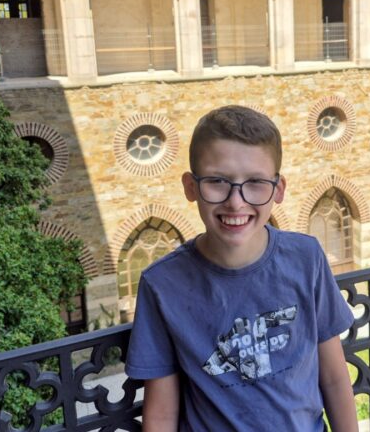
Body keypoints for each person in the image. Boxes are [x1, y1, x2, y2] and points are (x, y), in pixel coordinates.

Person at [125, 105, 358, 431]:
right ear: (191, 187)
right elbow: (162, 414)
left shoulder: (306, 258)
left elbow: (333, 377)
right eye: (217, 181)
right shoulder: (162, 285)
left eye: (256, 182)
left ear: (278, 190)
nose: (236, 202)